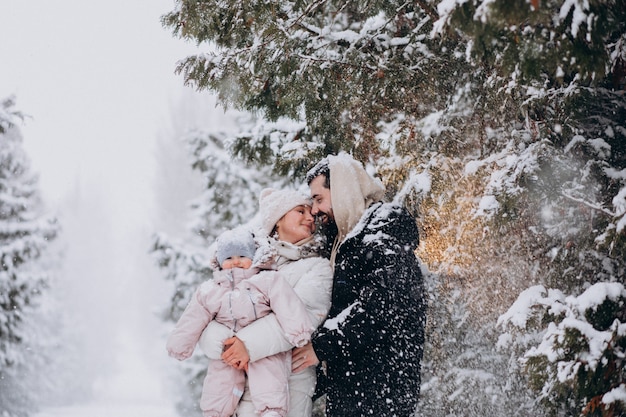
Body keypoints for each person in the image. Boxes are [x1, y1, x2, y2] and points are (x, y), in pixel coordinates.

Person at [293, 152, 426, 417]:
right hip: (355, 393)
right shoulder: (344, 244)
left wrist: (321, 348)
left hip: (380, 395)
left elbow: (381, 309)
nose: (315, 210)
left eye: (319, 199)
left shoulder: (382, 238)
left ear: (342, 191)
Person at [198, 188, 334, 417]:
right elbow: (207, 316)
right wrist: (225, 347)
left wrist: (246, 345)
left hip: (288, 384)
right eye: (300, 211)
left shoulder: (316, 267)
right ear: (277, 220)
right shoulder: (245, 264)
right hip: (237, 384)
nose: (310, 217)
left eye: (310, 212)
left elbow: (303, 317)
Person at [166, 228, 315, 417]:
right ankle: (215, 412)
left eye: (242, 255)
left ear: (255, 256)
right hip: (227, 351)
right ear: (219, 262)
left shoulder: (267, 280)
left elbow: (287, 304)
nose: (235, 262)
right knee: (220, 379)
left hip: (262, 349)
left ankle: (271, 411)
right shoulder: (210, 290)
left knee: (269, 375)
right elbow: (192, 317)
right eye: (228, 258)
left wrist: (299, 331)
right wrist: (180, 344)